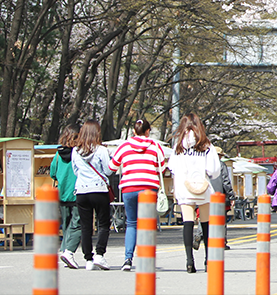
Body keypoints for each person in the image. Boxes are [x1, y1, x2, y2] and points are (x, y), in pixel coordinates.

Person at [108, 117, 167, 271]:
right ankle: (145, 259)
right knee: (146, 224)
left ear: (134, 131)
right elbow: (162, 167)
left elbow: (112, 166)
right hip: (149, 188)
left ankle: (128, 259)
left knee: (132, 223)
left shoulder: (124, 146)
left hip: (129, 188)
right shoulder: (154, 145)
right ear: (148, 131)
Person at [168, 112, 222, 273]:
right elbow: (214, 170)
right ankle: (208, 260)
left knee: (187, 222)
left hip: (185, 187)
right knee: (205, 224)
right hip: (202, 187)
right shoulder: (206, 145)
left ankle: (189, 261)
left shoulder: (179, 145)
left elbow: (172, 167)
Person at [71, 119, 114, 271]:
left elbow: (75, 171)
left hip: (82, 191)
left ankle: (88, 258)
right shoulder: (101, 150)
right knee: (103, 224)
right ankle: (100, 255)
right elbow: (108, 171)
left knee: (85, 226)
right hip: (99, 189)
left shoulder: (75, 151)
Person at [50, 124, 82, 269]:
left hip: (62, 193)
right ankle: (68, 251)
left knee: (66, 223)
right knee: (77, 223)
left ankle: (63, 249)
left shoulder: (58, 154)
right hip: (76, 193)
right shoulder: (79, 153)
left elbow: (52, 173)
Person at [209, 147, 235, 249]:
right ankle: (222, 242)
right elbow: (226, 181)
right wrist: (231, 196)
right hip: (219, 196)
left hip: (206, 195)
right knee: (221, 220)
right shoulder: (221, 165)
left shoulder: (205, 164)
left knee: (206, 218)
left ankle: (200, 235)